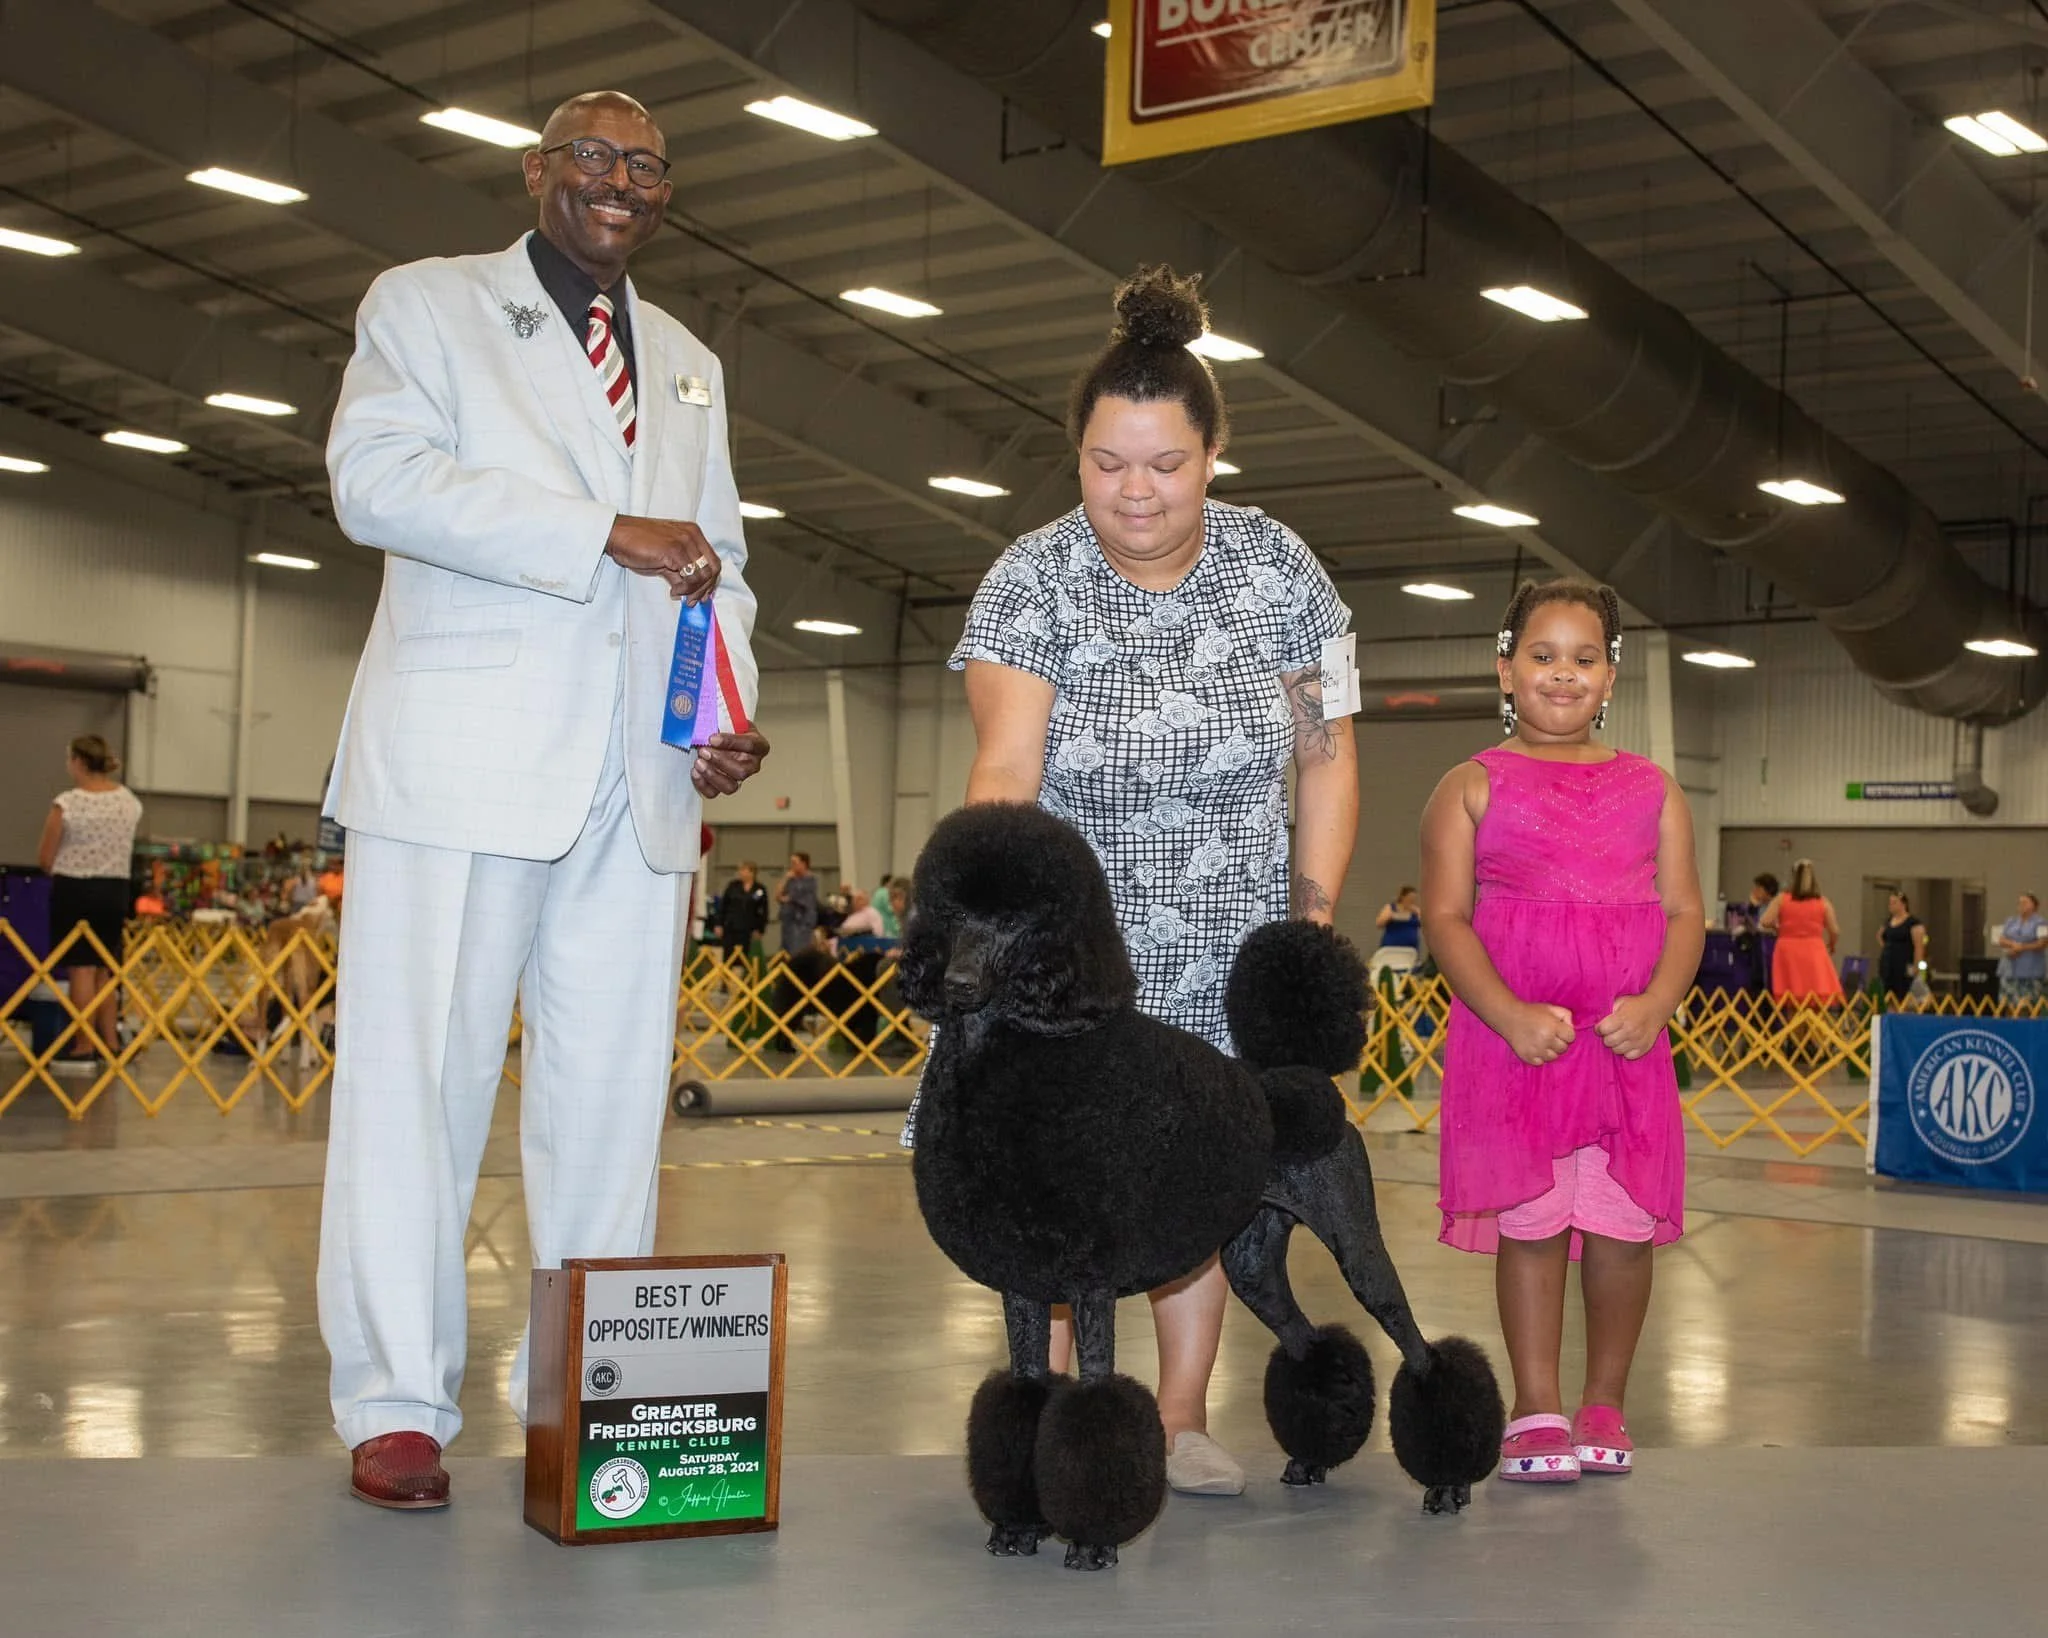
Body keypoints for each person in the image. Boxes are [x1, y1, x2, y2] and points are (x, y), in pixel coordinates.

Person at [316, 90, 771, 1512]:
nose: (617, 182)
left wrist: (723, 712)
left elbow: (722, 564)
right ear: (536, 174)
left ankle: (587, 1396)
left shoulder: (689, 361)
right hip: (458, 760)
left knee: (609, 1107)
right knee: (416, 1088)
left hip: (639, 780)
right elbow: (373, 479)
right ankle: (395, 1403)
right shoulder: (428, 305)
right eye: (590, 157)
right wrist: (595, 531)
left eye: (643, 166)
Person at [922, 265, 1357, 1498]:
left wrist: (1307, 921)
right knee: (1052, 1190)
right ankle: (1053, 1420)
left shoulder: (1284, 575)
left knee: (1198, 1178)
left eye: (1163, 462)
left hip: (1229, 927)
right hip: (1073, 953)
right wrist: (987, 932)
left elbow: (1323, 761)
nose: (1134, 491)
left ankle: (1174, 1420)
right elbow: (1003, 767)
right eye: (1107, 462)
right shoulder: (1029, 578)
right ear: (1077, 454)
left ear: (1214, 450)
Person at [1422, 578, 1700, 1486]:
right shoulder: (1467, 787)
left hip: (1625, 1046)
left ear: (1611, 675)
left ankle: (1606, 1398)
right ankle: (1535, 1404)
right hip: (1515, 1052)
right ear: (1506, 668)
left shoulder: (1655, 790)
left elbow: (1688, 914)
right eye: (1542, 656)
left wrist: (1658, 1002)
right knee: (1532, 1223)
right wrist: (1506, 1013)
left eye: (1585, 658)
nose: (1562, 675)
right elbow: (1447, 920)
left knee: (1621, 1225)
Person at [36, 735, 143, 1071]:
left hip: (75, 890)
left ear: (79, 762)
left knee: (80, 967)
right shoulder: (128, 801)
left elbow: (45, 857)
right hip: (115, 891)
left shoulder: (68, 803)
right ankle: (109, 1042)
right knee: (105, 968)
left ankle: (83, 1044)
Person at [1761, 860, 1842, 1003]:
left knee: (1791, 999)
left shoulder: (1781, 899)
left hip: (1787, 951)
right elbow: (1834, 930)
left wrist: (1780, 928)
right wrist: (1832, 944)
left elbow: (1765, 921)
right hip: (1814, 950)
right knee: (1816, 998)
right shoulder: (1823, 902)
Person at [1996, 892, 2048, 1001]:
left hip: (2030, 972)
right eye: (2020, 903)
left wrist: (2022, 948)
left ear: (2034, 905)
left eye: (2025, 902)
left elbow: (2042, 943)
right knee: (2007, 1004)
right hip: (2009, 970)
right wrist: (2013, 945)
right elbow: (2001, 939)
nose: (2021, 905)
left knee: (2028, 1005)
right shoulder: (2010, 921)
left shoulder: (2041, 923)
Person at [1877, 891, 1928, 1002]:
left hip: (1904, 965)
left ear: (1903, 904)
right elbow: (1880, 935)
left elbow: (1919, 946)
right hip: (1888, 965)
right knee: (1888, 996)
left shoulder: (1913, 923)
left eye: (1894, 902)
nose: (1891, 905)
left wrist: (1916, 966)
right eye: (1890, 903)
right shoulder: (1888, 921)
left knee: (1903, 995)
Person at [716, 861, 770, 965]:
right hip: (731, 927)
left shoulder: (759, 889)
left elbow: (764, 910)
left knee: (746, 957)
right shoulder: (732, 886)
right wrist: (719, 924)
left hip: (749, 929)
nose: (741, 873)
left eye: (744, 870)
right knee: (728, 955)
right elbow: (723, 906)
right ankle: (727, 979)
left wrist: (760, 929)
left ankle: (744, 978)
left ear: (752, 872)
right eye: (740, 870)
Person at [777, 852, 819, 954]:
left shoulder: (811, 880)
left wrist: (788, 899)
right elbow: (778, 895)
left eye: (794, 863)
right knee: (786, 948)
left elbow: (797, 898)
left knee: (799, 948)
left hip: (802, 920)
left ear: (803, 864)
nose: (792, 866)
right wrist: (785, 878)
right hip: (788, 919)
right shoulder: (791, 879)